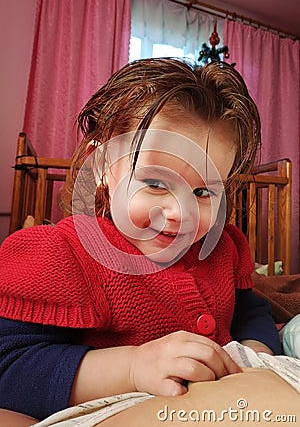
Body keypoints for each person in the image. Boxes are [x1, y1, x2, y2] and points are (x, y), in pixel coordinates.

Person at [0, 58, 281, 422]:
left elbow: (250, 309)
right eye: (155, 184)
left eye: (202, 191)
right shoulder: (62, 256)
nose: (181, 211)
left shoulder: (225, 248)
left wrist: (256, 351)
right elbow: (9, 363)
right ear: (101, 167)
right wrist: (132, 367)